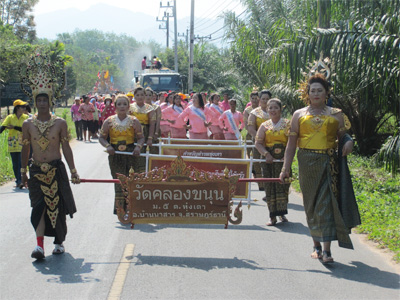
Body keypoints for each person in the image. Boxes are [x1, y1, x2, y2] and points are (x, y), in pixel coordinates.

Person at [280, 73, 360, 264]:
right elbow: (291, 145)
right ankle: (315, 244)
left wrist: (349, 143)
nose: (315, 93)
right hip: (306, 162)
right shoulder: (299, 115)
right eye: (312, 90)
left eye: (319, 90)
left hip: (328, 162)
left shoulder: (336, 114)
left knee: (326, 203)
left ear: (326, 93)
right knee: (311, 204)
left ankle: (326, 250)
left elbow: (344, 137)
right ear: (307, 93)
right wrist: (285, 168)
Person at [19, 53, 80, 260]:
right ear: (34, 102)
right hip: (36, 170)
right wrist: (23, 172)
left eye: (45, 99)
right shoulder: (27, 125)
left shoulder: (60, 123)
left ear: (50, 101)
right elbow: (25, 149)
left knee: (58, 207)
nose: (42, 103)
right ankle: (39, 246)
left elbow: (67, 148)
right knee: (38, 207)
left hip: (56, 169)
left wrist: (73, 171)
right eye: (39, 100)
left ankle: (59, 242)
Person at [99, 94, 144, 214]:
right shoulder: (108, 121)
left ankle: (132, 207)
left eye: (125, 104)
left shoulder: (134, 121)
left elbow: (141, 138)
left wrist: (138, 147)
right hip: (115, 155)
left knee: (130, 180)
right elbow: (102, 138)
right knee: (118, 180)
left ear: (129, 106)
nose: (122, 106)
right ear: (115, 106)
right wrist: (108, 146)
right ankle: (120, 208)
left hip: (130, 154)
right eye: (119, 104)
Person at [255, 98, 291, 225]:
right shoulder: (264, 126)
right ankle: (272, 217)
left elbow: (292, 143)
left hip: (283, 160)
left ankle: (282, 213)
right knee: (269, 187)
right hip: (268, 161)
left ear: (281, 109)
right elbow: (258, 143)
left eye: (275, 107)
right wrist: (266, 154)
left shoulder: (288, 124)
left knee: (283, 185)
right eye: (270, 108)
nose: (273, 110)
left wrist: (286, 158)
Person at [0, 99, 29, 188]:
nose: (24, 108)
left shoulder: (26, 118)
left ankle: (21, 180)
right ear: (17, 108)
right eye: (22, 107)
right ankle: (18, 181)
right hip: (12, 143)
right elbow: (3, 127)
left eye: (25, 106)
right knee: (15, 164)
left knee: (21, 162)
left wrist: (14, 127)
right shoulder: (10, 117)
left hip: (22, 143)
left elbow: (25, 129)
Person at [248, 90, 271, 191]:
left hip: (272, 141)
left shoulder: (274, 110)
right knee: (258, 162)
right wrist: (259, 138)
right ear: (259, 100)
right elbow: (250, 128)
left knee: (270, 163)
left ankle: (270, 184)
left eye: (267, 99)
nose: (265, 101)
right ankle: (261, 184)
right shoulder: (254, 112)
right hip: (258, 142)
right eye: (263, 99)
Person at [129, 86, 155, 173]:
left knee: (143, 154)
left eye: (142, 95)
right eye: (137, 95)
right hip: (132, 133)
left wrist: (150, 138)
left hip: (145, 133)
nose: (139, 97)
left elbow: (152, 124)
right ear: (134, 96)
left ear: (144, 96)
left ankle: (142, 174)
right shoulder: (129, 107)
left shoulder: (149, 108)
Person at [244, 91, 260, 158]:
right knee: (250, 152)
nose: (254, 100)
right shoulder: (247, 110)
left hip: (261, 134)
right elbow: (246, 125)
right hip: (250, 134)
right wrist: (252, 133)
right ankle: (251, 167)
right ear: (250, 99)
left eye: (256, 98)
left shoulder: (262, 109)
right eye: (252, 98)